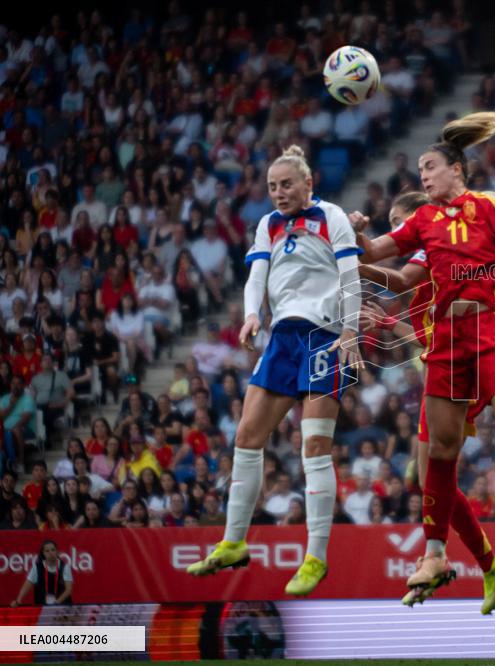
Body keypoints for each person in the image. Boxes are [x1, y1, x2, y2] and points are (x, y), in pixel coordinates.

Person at [349, 112, 495, 599]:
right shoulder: (421, 220)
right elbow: (376, 256)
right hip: (444, 343)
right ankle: (435, 553)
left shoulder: (488, 207)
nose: (424, 175)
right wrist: (354, 234)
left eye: (430, 166)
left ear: (456, 168)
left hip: (489, 329)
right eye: (420, 170)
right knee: (439, 451)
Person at [185, 145, 363, 599]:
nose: (278, 193)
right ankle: (233, 541)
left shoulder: (332, 216)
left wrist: (351, 331)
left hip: (324, 336)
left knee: (315, 444)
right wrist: (250, 316)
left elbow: (350, 275)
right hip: (282, 339)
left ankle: (316, 556)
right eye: (272, 187)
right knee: (247, 436)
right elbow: (256, 277)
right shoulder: (267, 225)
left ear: (308, 184)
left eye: (286, 184)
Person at [355, 191, 495, 612]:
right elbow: (424, 327)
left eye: (397, 220)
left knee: (432, 475)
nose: (393, 229)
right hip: (444, 368)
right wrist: (389, 322)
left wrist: (352, 263)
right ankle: (480, 563)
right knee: (426, 479)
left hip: (463, 369)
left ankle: (451, 559)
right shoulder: (428, 262)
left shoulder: (435, 247)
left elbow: (401, 281)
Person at [11, 540, 72, 606]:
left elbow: (68, 590)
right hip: (42, 607)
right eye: (47, 551)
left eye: (53, 550)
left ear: (57, 552)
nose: (51, 553)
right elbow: (27, 585)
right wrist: (18, 600)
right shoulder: (37, 567)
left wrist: (56, 603)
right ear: (43, 553)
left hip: (62, 606)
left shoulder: (65, 567)